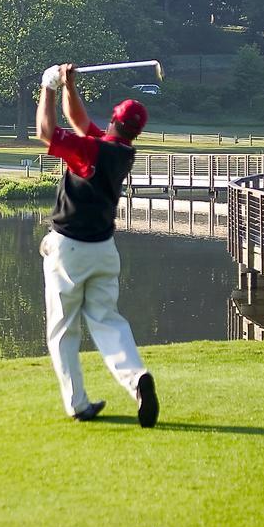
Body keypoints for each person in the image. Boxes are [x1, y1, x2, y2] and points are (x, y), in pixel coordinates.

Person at [35, 63, 159, 428]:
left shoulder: (91, 151)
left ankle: (78, 404)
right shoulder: (119, 151)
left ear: (115, 122)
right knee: (108, 321)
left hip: (69, 251)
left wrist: (48, 87)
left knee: (63, 330)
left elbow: (46, 132)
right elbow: (78, 121)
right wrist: (69, 85)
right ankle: (137, 379)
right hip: (104, 251)